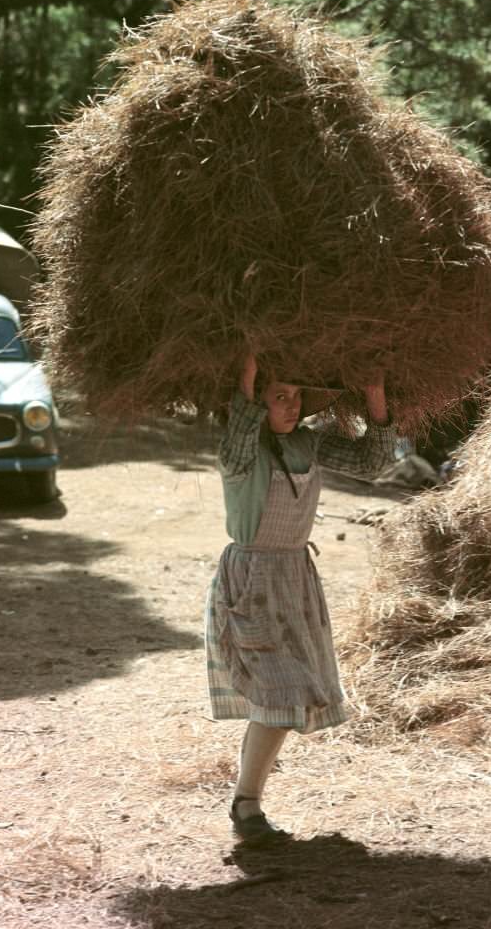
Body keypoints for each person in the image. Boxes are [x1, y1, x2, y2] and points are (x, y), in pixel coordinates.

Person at [204, 353, 396, 845]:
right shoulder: (239, 453)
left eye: (296, 397)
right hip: (252, 579)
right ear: (256, 403)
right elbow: (241, 437)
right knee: (279, 693)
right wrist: (245, 381)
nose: (291, 407)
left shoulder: (307, 444)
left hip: (295, 577)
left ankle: (246, 805)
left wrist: (376, 400)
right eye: (279, 397)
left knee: (279, 697)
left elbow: (373, 465)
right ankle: (247, 807)